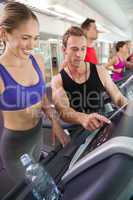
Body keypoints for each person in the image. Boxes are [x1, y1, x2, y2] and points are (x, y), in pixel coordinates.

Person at [0, 2, 70, 183]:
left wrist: (55, 120)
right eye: (25, 37)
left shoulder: (37, 60)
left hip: (37, 135)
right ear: (3, 34)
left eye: (35, 38)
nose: (32, 45)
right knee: (34, 190)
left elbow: (42, 100)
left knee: (42, 177)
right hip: (15, 148)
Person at [52, 26, 128, 132]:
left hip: (102, 129)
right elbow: (64, 111)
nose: (79, 54)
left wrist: (129, 107)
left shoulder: (100, 71)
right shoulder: (58, 80)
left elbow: (119, 99)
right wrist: (83, 118)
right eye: (74, 49)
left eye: (83, 49)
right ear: (64, 50)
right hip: (77, 134)